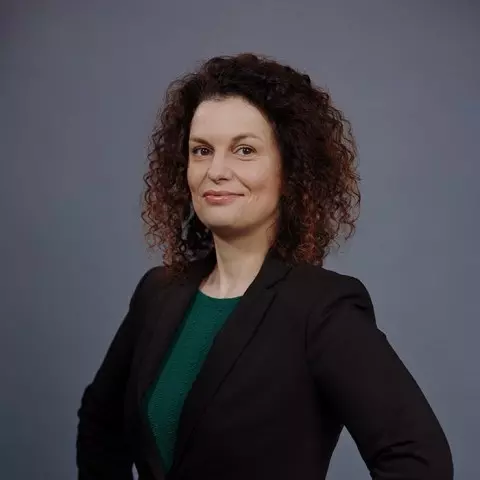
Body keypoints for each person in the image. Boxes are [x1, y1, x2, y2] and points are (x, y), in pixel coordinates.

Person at [76, 53, 453, 480]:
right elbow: (100, 421)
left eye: (245, 150)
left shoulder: (322, 309)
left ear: (289, 171)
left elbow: (418, 460)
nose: (216, 171)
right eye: (202, 151)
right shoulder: (157, 291)